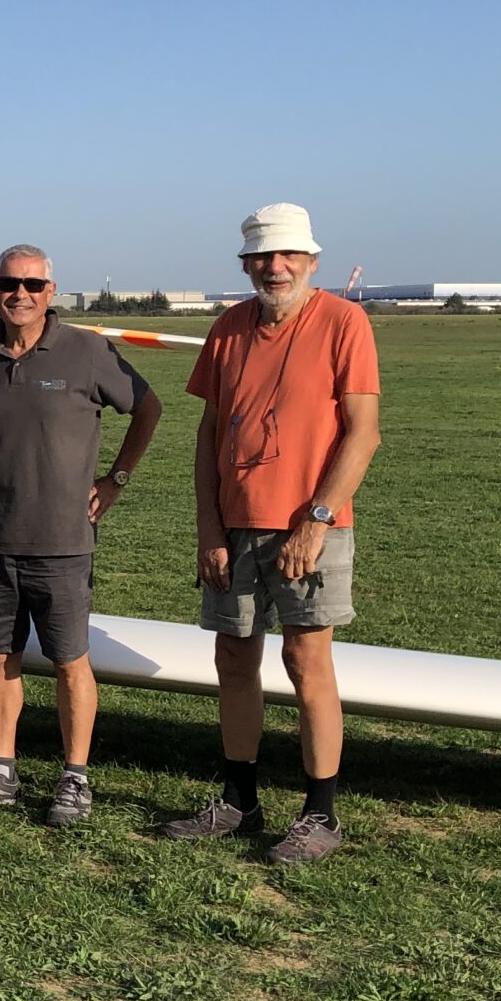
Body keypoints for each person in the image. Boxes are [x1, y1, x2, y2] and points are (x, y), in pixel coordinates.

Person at [166, 203, 381, 866]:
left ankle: (321, 814)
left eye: (288, 256)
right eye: (263, 258)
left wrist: (315, 522)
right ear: (248, 265)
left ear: (311, 262)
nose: (275, 267)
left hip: (308, 526)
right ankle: (239, 799)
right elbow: (208, 436)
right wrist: (210, 529)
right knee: (234, 658)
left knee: (305, 662)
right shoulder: (228, 329)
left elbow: (362, 433)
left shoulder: (345, 322)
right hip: (234, 525)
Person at [0, 245, 161, 826]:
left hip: (63, 540)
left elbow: (148, 407)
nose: (21, 294)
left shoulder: (86, 350)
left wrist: (116, 480)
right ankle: (0, 770)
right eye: (10, 283)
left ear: (50, 291)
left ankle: (74, 779)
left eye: (33, 284)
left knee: (69, 661)